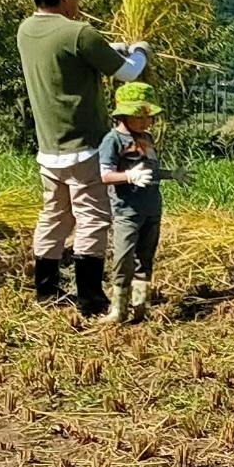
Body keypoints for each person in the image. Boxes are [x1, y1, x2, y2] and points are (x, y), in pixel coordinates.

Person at [17, 0, 146, 318]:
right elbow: (131, 74)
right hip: (83, 147)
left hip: (48, 148)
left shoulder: (25, 30)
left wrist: (111, 48)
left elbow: (73, 56)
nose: (79, 1)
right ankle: (90, 297)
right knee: (92, 218)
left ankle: (46, 290)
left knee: (54, 215)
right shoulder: (79, 33)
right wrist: (140, 50)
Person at [99, 82, 166, 324]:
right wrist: (128, 176)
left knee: (145, 258)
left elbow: (151, 170)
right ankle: (118, 308)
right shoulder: (113, 140)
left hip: (151, 207)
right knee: (123, 258)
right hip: (127, 210)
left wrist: (172, 174)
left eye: (148, 117)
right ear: (125, 114)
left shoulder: (147, 138)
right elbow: (104, 175)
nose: (146, 122)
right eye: (140, 116)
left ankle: (141, 305)